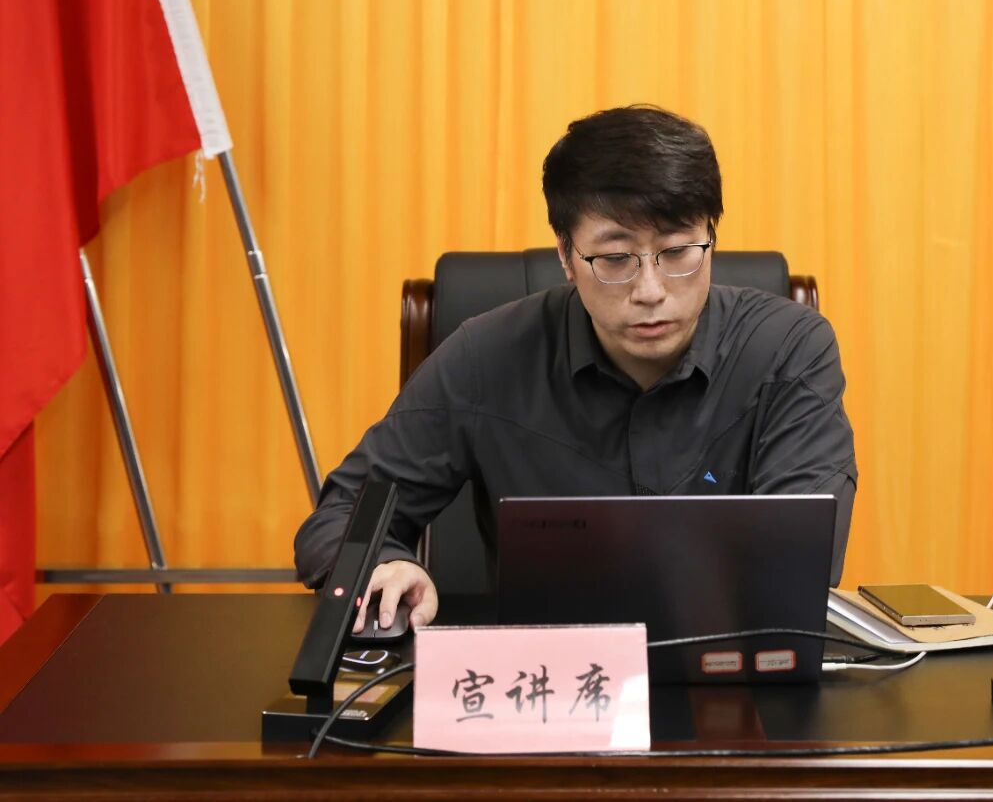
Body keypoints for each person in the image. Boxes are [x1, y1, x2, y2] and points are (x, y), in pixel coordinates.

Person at [294, 105, 857, 633]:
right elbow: (342, 516)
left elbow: (803, 553)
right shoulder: (487, 357)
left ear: (711, 235)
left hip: (731, 673)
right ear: (566, 255)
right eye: (614, 258)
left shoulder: (788, 349)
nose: (651, 290)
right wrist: (384, 565)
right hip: (546, 680)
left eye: (678, 251)